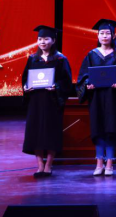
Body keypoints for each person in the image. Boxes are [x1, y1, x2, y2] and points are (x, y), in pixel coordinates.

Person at [75, 19, 116, 176]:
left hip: (114, 98)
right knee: (98, 128)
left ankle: (110, 163)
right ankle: (99, 162)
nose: (105, 36)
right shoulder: (91, 55)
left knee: (111, 128)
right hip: (97, 97)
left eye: (108, 33)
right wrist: (88, 84)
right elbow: (83, 75)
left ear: (113, 35)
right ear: (98, 36)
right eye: (102, 33)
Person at [21, 25, 73, 178]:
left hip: (52, 101)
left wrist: (56, 87)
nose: (42, 42)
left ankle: (49, 164)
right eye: (40, 39)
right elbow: (25, 78)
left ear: (53, 41)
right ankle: (40, 165)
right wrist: (26, 87)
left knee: (51, 132)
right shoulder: (33, 59)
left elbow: (67, 81)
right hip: (36, 101)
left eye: (46, 39)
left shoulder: (60, 59)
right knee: (36, 131)